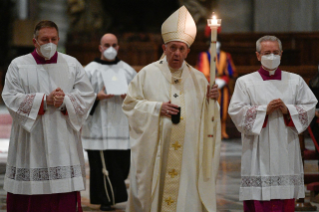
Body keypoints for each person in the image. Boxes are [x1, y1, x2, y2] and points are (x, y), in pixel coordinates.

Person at [122, 6, 221, 212]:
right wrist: (157, 108)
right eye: (172, 47)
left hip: (188, 152)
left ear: (188, 51)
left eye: (181, 48)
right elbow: (130, 105)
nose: (176, 53)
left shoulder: (199, 79)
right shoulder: (147, 74)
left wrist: (212, 101)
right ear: (164, 48)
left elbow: (207, 117)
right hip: (157, 150)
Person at [1, 20, 95, 212]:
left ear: (59, 39)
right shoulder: (18, 65)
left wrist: (65, 101)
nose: (49, 43)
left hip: (63, 139)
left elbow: (87, 95)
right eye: (44, 39)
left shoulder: (72, 64)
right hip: (31, 141)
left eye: (53, 39)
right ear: (35, 41)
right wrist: (44, 100)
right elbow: (10, 97)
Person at [228, 35, 318, 211]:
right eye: (267, 52)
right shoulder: (245, 82)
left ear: (281, 54)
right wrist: (264, 110)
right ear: (258, 55)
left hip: (286, 147)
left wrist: (288, 110)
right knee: (259, 198)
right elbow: (236, 112)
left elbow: (310, 106)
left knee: (284, 199)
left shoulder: (295, 81)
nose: (271, 56)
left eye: (275, 52)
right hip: (257, 150)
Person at [82, 33, 136, 211]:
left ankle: (112, 197)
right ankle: (106, 200)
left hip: (121, 128)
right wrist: (97, 96)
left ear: (118, 47)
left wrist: (129, 96)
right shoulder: (89, 70)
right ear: (100, 48)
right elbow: (80, 98)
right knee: (103, 169)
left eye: (114, 45)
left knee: (122, 167)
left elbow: (139, 96)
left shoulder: (127, 70)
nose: (110, 48)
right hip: (99, 129)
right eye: (106, 45)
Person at [196, 26, 237, 139]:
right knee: (209, 109)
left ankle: (222, 131)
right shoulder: (203, 55)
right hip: (208, 86)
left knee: (223, 110)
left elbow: (231, 72)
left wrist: (223, 80)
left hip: (222, 86)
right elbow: (200, 72)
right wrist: (211, 81)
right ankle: (209, 131)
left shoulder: (225, 55)